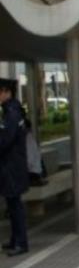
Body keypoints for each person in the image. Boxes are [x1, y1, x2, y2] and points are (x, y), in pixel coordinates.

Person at [0, 78, 30, 257]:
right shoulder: (12, 110)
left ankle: (21, 242)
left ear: (6, 91)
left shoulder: (11, 112)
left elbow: (6, 140)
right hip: (12, 164)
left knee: (15, 204)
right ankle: (15, 239)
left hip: (12, 165)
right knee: (12, 204)